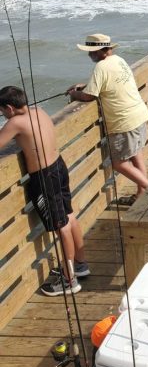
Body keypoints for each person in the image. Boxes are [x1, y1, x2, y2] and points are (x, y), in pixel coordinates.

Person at [0, 86, 88, 295]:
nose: (3, 115)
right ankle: (80, 265)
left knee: (61, 226)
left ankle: (69, 280)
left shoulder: (15, 122)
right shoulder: (39, 111)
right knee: (69, 214)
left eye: (2, 111)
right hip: (59, 167)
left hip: (44, 177)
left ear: (10, 108)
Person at [67, 33, 148, 201]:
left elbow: (89, 96)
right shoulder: (118, 60)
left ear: (100, 51)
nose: (89, 54)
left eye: (92, 51)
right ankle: (142, 193)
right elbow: (108, 82)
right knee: (135, 153)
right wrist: (85, 86)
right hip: (139, 114)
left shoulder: (101, 67)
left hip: (123, 121)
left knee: (118, 163)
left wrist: (74, 93)